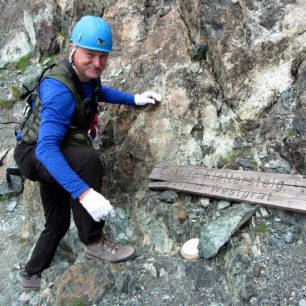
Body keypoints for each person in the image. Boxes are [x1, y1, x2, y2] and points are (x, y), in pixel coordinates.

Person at [14, 15, 161, 291]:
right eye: (90, 55)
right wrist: (85, 194)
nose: (97, 63)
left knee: (57, 223)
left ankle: (30, 275)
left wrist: (134, 99)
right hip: (35, 154)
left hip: (55, 150)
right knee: (88, 161)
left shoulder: (84, 76)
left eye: (103, 56)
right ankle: (93, 241)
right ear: (73, 47)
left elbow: (98, 92)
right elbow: (46, 150)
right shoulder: (59, 89)